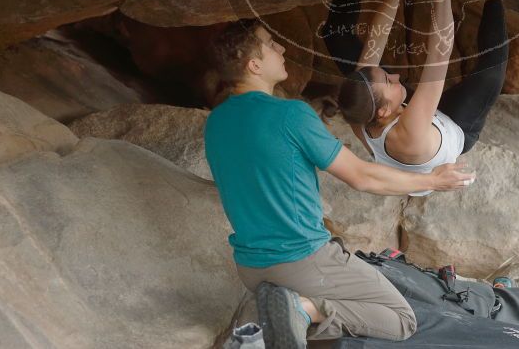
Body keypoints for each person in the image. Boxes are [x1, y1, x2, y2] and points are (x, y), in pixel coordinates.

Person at [203, 19, 475, 348]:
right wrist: (430, 179)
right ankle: (298, 312)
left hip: (251, 267)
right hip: (302, 259)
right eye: (272, 44)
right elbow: (361, 176)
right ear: (254, 65)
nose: (283, 49)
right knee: (401, 318)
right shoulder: (291, 115)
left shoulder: (216, 122)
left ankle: (275, 320)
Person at [321, 0, 508, 195]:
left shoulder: (361, 109)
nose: (396, 75)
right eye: (390, 81)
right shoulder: (410, 133)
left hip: (409, 115)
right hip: (455, 127)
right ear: (383, 111)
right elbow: (440, 49)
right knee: (491, 74)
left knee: (339, 42)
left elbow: (375, 41)